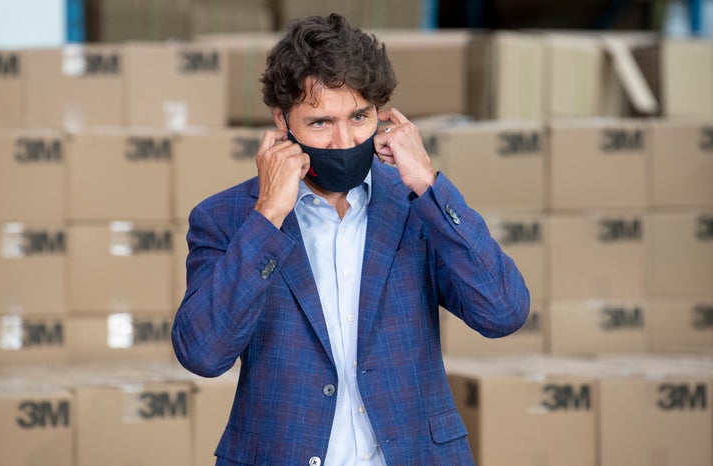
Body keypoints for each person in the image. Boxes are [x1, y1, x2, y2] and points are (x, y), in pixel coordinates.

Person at [172, 13, 529, 466]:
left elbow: (503, 311)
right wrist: (268, 216)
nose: (344, 141)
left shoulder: (416, 207)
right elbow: (203, 353)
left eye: (359, 117)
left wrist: (428, 184)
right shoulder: (226, 218)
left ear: (381, 113)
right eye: (321, 123)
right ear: (282, 121)